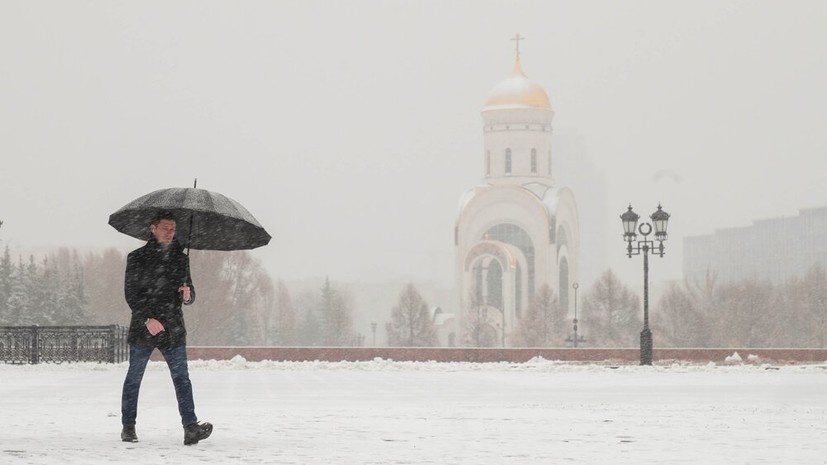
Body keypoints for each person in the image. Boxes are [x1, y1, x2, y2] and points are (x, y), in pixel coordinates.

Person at [120, 211, 213, 446]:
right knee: (134, 378)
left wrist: (189, 294)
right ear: (153, 228)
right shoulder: (137, 257)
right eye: (165, 228)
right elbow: (131, 294)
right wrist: (147, 319)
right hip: (145, 328)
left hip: (173, 328)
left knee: (182, 378)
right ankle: (128, 427)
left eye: (173, 229)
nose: (170, 233)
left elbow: (188, 291)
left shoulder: (181, 259)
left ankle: (190, 427)